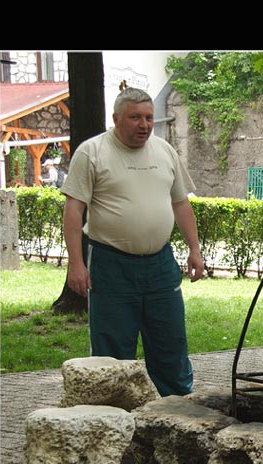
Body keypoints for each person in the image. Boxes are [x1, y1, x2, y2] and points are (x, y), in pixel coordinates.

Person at [60, 87, 205, 397]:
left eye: (149, 118)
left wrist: (194, 249)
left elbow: (181, 203)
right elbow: (74, 210)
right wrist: (76, 263)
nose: (144, 125)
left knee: (171, 346)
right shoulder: (92, 152)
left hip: (161, 264)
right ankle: (110, 420)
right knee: (111, 355)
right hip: (111, 264)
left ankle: (179, 414)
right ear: (116, 118)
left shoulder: (164, 151)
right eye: (135, 117)